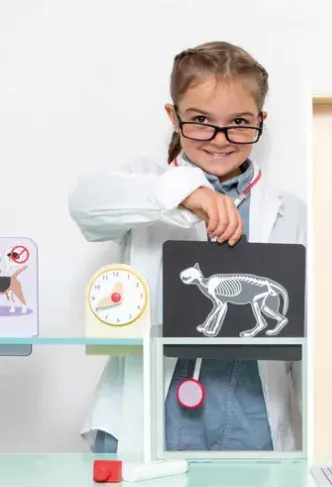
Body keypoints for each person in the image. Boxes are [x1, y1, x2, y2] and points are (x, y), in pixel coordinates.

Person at [69, 41, 306, 454]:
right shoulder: (145, 183)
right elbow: (85, 202)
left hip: (254, 419)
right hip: (153, 412)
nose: (220, 139)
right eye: (200, 120)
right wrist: (184, 194)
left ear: (260, 121)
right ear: (173, 117)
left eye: (239, 122)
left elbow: (307, 329)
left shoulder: (290, 211)